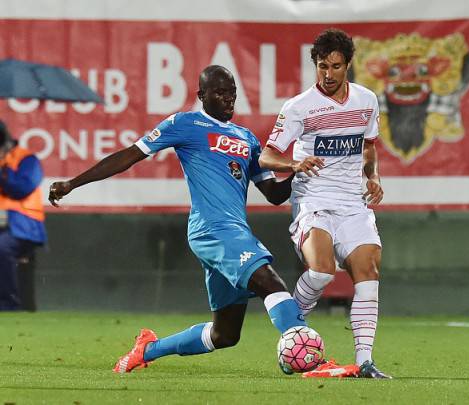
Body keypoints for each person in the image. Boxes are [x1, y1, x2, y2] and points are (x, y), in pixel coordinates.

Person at [49, 65, 316, 375]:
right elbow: (130, 155)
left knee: (225, 335)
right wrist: (73, 183)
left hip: (232, 232)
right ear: (201, 95)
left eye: (232, 94)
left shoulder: (246, 138)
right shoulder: (186, 123)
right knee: (270, 281)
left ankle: (147, 349)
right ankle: (311, 358)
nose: (229, 100)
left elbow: (271, 193)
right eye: (220, 93)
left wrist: (297, 173)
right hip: (213, 230)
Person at [259, 29, 391, 379]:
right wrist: (294, 164)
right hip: (313, 200)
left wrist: (373, 177)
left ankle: (365, 361)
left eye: (335, 66)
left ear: (348, 64)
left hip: (352, 202)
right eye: (322, 67)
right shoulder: (299, 107)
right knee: (321, 270)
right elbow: (266, 156)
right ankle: (293, 330)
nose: (328, 74)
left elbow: (369, 147)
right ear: (315, 65)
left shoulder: (366, 100)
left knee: (369, 271)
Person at [0, 120, 47, 310]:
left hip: (23, 227)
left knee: (1, 247)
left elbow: (21, 188)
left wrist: (4, 170)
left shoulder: (26, 159)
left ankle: (9, 304)